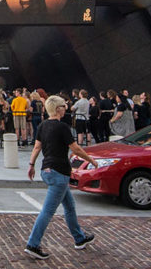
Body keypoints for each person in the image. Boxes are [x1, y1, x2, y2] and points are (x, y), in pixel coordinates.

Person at [24, 95, 98, 259]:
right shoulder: (62, 127)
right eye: (64, 106)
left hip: (47, 170)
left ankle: (79, 238)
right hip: (59, 172)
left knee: (69, 206)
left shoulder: (43, 126)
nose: (66, 108)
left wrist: (31, 165)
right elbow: (75, 148)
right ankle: (33, 244)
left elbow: (37, 147)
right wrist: (91, 160)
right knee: (48, 211)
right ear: (58, 109)